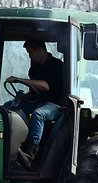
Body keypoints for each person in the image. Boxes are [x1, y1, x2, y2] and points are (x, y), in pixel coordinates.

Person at [6, 39, 63, 169]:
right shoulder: (35, 67)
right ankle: (10, 146)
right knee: (9, 109)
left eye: (30, 52)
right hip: (37, 102)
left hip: (55, 105)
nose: (29, 56)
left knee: (39, 114)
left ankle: (29, 153)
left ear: (40, 50)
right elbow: (35, 90)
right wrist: (23, 97)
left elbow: (45, 86)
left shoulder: (56, 66)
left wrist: (18, 79)